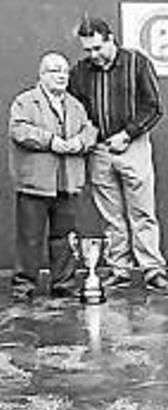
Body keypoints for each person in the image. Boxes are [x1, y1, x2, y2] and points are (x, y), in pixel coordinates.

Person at [68, 17, 168, 293]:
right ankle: (119, 270)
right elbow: (75, 112)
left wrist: (127, 134)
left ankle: (152, 270)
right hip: (99, 150)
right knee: (111, 216)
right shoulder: (79, 72)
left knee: (143, 213)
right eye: (88, 50)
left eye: (97, 48)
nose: (93, 55)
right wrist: (89, 136)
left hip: (133, 146)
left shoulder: (137, 63)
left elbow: (154, 107)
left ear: (111, 39)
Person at [8, 52, 97, 302]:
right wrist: (50, 141)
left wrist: (80, 142)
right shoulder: (25, 101)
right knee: (30, 238)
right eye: (55, 71)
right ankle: (24, 286)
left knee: (65, 239)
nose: (61, 76)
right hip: (34, 184)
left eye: (65, 72)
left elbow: (90, 130)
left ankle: (64, 284)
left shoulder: (75, 105)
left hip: (67, 183)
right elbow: (19, 130)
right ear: (42, 75)